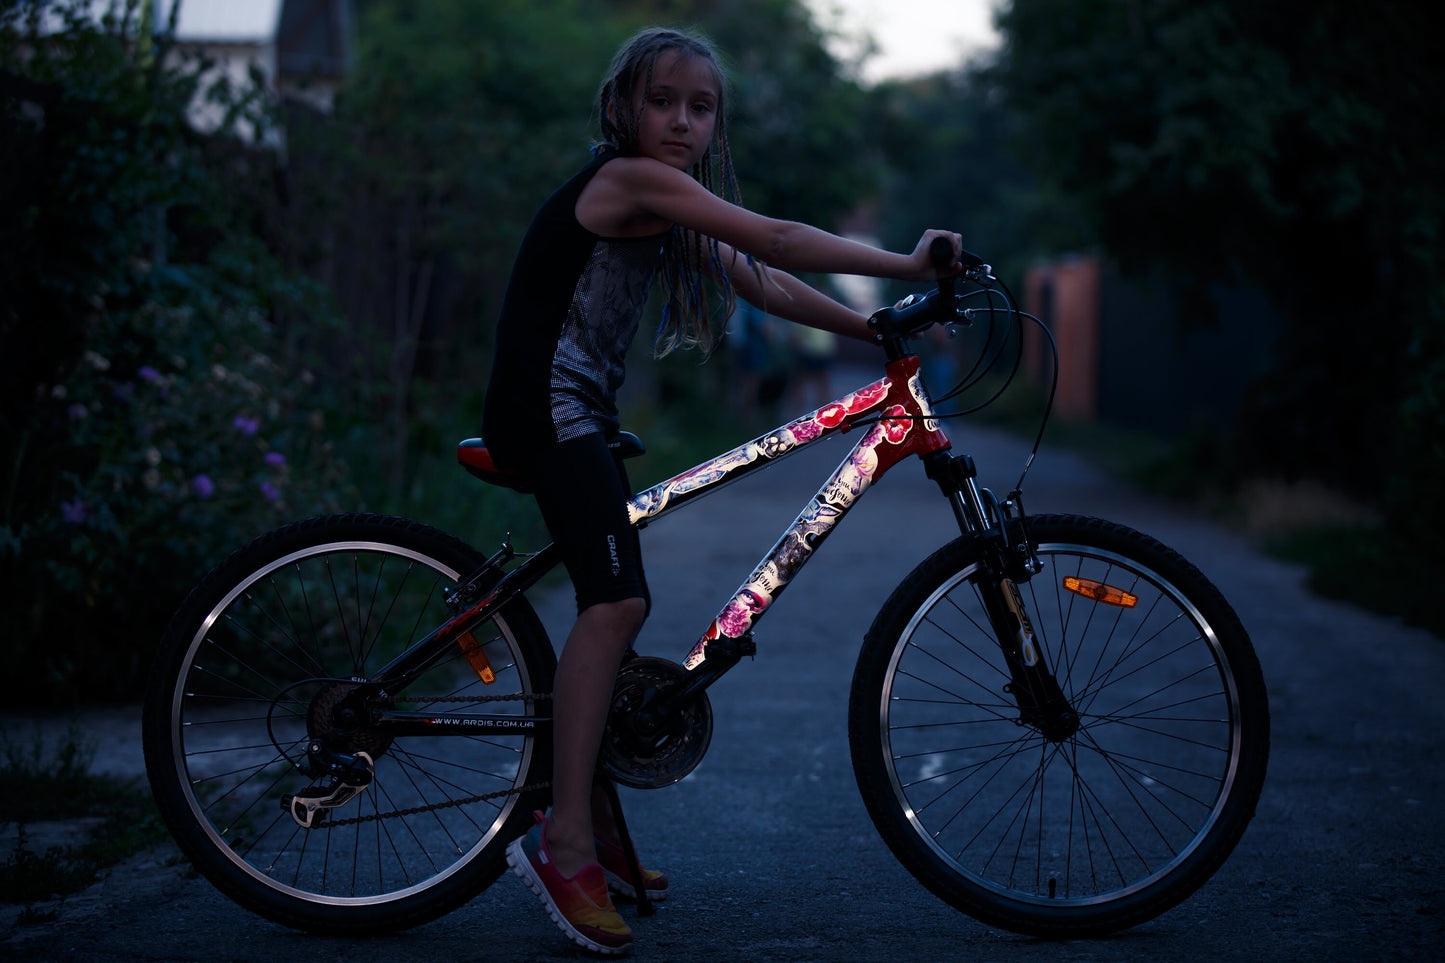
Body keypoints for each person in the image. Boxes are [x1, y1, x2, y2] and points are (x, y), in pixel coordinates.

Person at [484, 26, 962, 956]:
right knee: (617, 602)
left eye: (698, 108)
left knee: (607, 596)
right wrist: (905, 267)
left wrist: (873, 330)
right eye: (662, 102)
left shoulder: (666, 207)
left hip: (577, 405)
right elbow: (778, 234)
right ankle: (564, 839)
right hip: (548, 408)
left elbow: (764, 279)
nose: (679, 122)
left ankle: (594, 819)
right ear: (622, 107)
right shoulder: (629, 181)